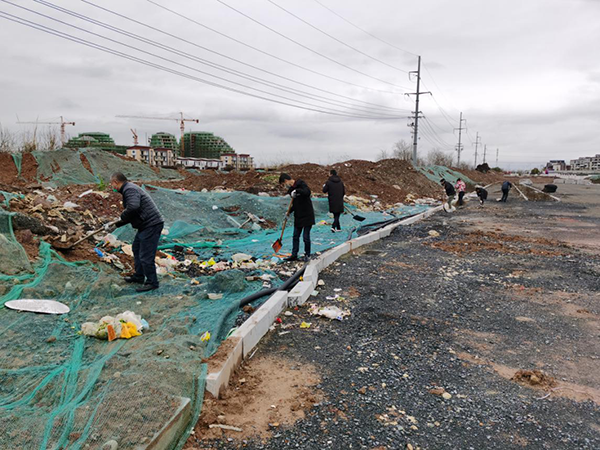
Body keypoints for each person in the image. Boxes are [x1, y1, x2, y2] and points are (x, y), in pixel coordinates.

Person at [107, 172, 164, 292]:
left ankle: (152, 282)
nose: (112, 186)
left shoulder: (129, 190)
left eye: (111, 184)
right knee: (136, 248)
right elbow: (132, 214)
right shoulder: (128, 189)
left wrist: (121, 217)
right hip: (146, 225)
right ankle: (139, 276)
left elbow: (133, 207)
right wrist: (116, 225)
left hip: (151, 225)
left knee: (145, 255)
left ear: (115, 182)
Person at [279, 173, 315, 262]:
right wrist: (288, 212)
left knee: (306, 237)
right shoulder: (291, 190)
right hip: (298, 216)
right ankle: (294, 254)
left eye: (284, 184)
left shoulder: (300, 183)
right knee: (295, 236)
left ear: (286, 181)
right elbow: (295, 204)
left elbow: (307, 192)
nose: (285, 186)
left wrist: (297, 191)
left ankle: (307, 254)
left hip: (307, 214)